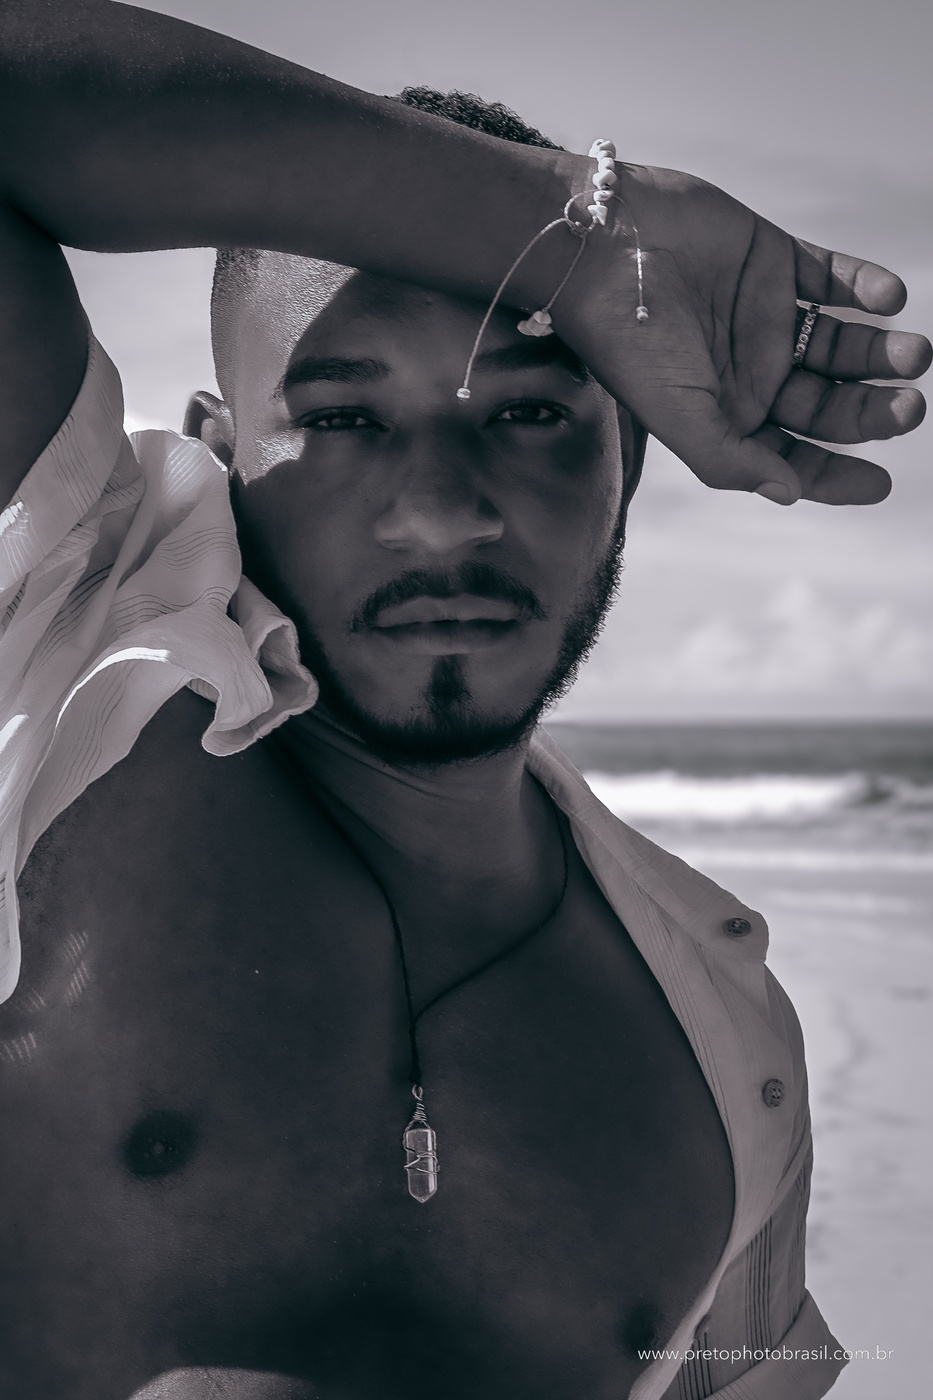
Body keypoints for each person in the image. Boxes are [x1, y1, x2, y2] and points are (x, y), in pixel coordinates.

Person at [0, 4, 929, 1399]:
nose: (441, 514)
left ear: (632, 461)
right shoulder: (61, 676)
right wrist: (577, 232)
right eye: (344, 419)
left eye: (531, 414)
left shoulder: (727, 1056)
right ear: (220, 454)